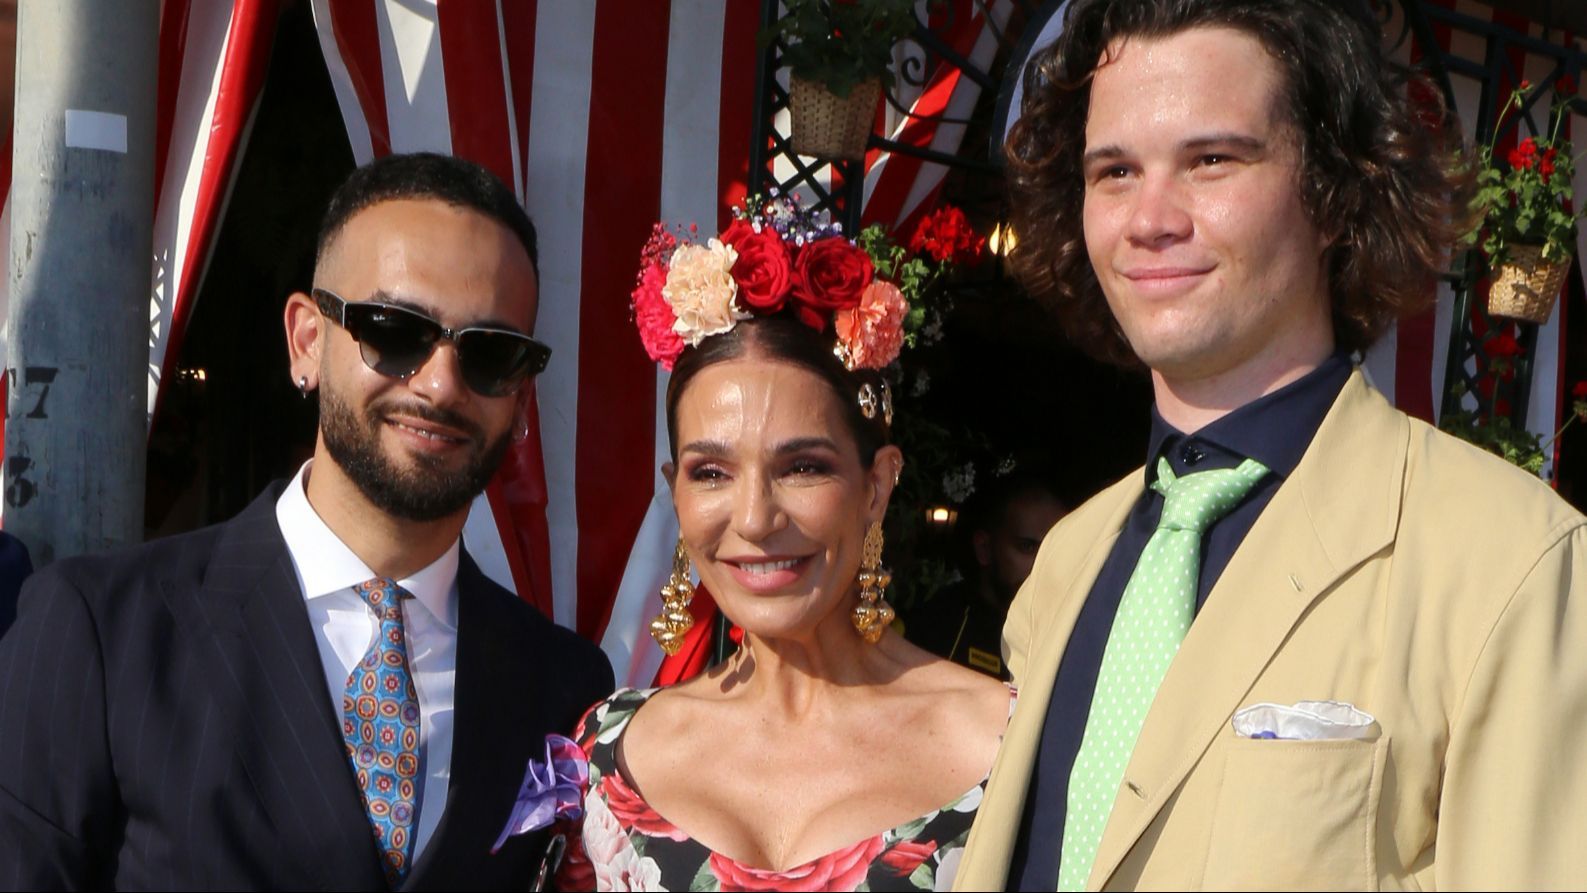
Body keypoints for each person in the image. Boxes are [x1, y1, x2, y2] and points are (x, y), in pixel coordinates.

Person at [954, 1, 1587, 889]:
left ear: (1335, 192)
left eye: (1211, 160)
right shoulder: (1068, 558)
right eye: (1114, 171)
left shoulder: (1508, 560)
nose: (1149, 218)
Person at [0, 153, 614, 890]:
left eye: (490, 352)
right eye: (396, 328)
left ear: (520, 396)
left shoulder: (564, 683)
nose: (442, 383)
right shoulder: (102, 629)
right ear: (307, 340)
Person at [558, 200, 1013, 892]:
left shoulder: (1009, 743)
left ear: (876, 486)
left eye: (802, 466)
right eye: (710, 472)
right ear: (674, 492)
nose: (753, 517)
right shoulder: (608, 750)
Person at [908, 471, 1066, 679]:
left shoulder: (1072, 631)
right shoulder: (938, 625)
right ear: (984, 548)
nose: (1042, 564)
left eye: (1053, 550)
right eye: (1027, 547)